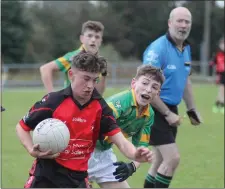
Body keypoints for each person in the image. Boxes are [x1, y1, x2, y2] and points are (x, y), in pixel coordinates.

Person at [16, 52, 152, 188]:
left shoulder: (101, 108)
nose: (90, 85)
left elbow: (121, 141)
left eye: (94, 80)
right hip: (46, 176)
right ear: (71, 75)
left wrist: (135, 154)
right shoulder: (53, 101)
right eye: (86, 79)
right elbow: (22, 127)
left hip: (77, 179)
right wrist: (30, 149)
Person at [142, 7, 202, 188]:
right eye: (179, 21)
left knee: (159, 162)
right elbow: (146, 90)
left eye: (187, 22)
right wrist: (167, 114)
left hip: (170, 109)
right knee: (172, 159)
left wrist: (191, 109)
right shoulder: (157, 49)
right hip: (154, 109)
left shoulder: (185, 48)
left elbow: (185, 81)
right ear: (170, 23)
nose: (183, 25)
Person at [88, 65, 165, 188]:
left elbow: (141, 149)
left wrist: (131, 167)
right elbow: (89, 126)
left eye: (154, 87)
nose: (149, 89)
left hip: (104, 153)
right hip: (82, 151)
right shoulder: (121, 102)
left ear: (158, 93)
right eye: (145, 83)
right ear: (133, 83)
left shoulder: (148, 115)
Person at [40, 20, 107, 95]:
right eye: (89, 36)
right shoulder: (73, 57)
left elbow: (99, 93)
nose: (93, 40)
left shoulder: (99, 62)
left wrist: (103, 74)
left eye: (97, 37)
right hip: (70, 104)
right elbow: (45, 69)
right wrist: (51, 95)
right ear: (82, 38)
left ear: (101, 41)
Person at [210, 37, 224, 114]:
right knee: (222, 90)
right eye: (222, 44)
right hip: (220, 74)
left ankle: (216, 105)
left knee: (221, 92)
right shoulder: (218, 54)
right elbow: (212, 63)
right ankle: (221, 106)